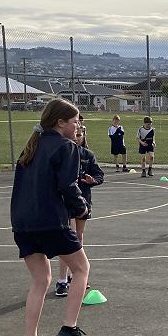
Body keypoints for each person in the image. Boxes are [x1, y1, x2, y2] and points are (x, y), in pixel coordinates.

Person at [10, 98, 92, 336]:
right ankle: (69, 327)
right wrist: (81, 207)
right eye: (75, 121)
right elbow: (68, 184)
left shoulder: (32, 146)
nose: (77, 125)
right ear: (60, 122)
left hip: (23, 223)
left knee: (40, 280)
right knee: (81, 269)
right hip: (49, 221)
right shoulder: (67, 147)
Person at [55, 126, 104, 297]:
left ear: (83, 136)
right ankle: (62, 280)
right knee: (68, 238)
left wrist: (92, 180)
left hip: (82, 201)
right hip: (66, 202)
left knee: (78, 237)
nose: (76, 138)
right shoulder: (63, 153)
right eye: (74, 134)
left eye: (79, 135)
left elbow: (99, 175)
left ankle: (76, 274)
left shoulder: (87, 155)